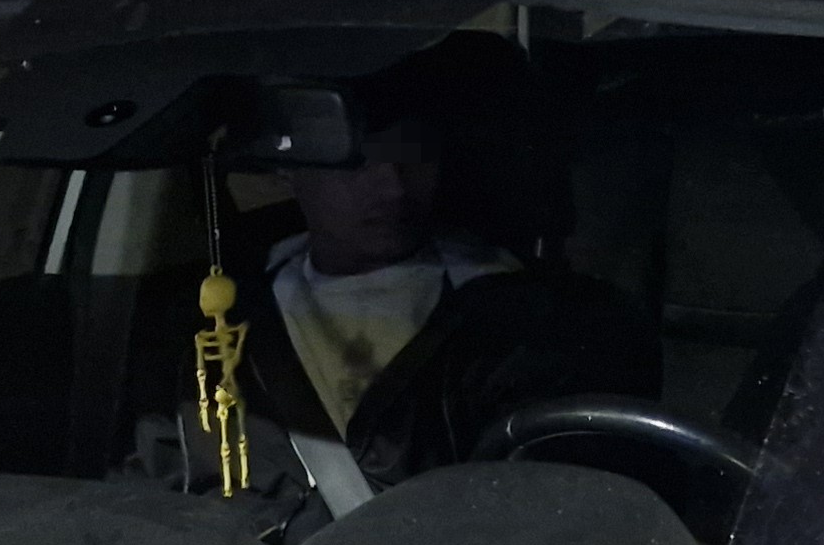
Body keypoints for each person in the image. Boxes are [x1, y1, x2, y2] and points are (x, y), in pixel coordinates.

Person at [230, 38, 655, 507]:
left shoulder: (529, 329)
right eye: (357, 162)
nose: (392, 188)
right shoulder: (219, 320)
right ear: (287, 165)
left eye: (414, 154)